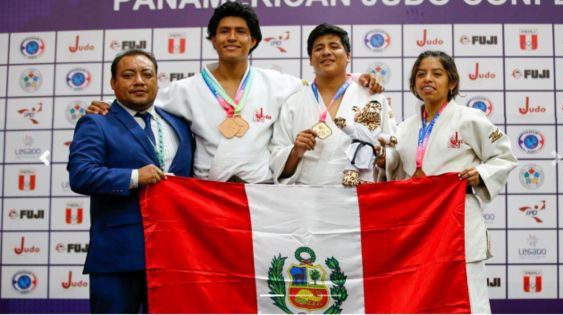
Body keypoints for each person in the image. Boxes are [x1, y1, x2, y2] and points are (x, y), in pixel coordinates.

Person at [88, 1, 382, 184]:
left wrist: (358, 80)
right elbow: (142, 102)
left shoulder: (278, 83)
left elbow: (323, 84)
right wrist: (110, 110)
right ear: (212, 39)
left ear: (253, 40)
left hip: (260, 192)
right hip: (210, 192)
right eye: (224, 31)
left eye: (240, 31)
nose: (232, 37)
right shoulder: (184, 89)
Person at [376, 50, 517, 313]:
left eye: (436, 74)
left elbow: (504, 157)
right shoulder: (405, 128)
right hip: (419, 226)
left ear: (451, 82)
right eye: (421, 74)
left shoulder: (470, 118)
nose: (427, 79)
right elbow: (397, 174)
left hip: (458, 219)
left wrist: (481, 174)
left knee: (467, 295)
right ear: (414, 84)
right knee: (422, 296)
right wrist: (385, 161)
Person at [67, 49, 194, 313]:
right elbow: (81, 175)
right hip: (118, 257)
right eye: (128, 75)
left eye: (147, 74)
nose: (139, 80)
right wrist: (135, 177)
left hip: (174, 255)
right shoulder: (96, 123)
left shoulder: (180, 125)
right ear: (113, 83)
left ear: (158, 81)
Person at [270, 23, 396, 186]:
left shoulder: (371, 96)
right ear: (310, 59)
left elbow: (393, 147)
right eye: (319, 48)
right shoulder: (293, 103)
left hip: (361, 197)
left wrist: (384, 156)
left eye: (334, 46)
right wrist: (295, 152)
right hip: (308, 200)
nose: (326, 52)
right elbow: (277, 164)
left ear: (348, 55)